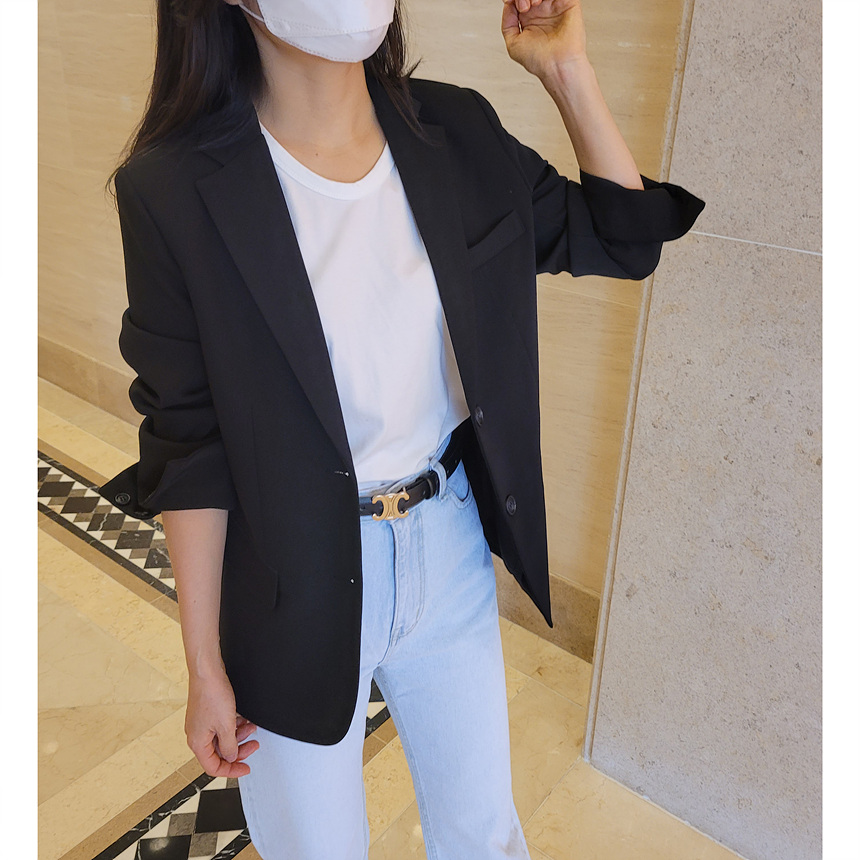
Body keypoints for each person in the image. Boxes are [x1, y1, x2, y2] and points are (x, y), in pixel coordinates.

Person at [98, 0, 705, 856]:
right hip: (287, 574)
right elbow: (187, 443)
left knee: (484, 836)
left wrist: (566, 69)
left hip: (446, 541)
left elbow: (625, 241)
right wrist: (204, 663)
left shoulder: (453, 131)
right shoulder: (171, 189)